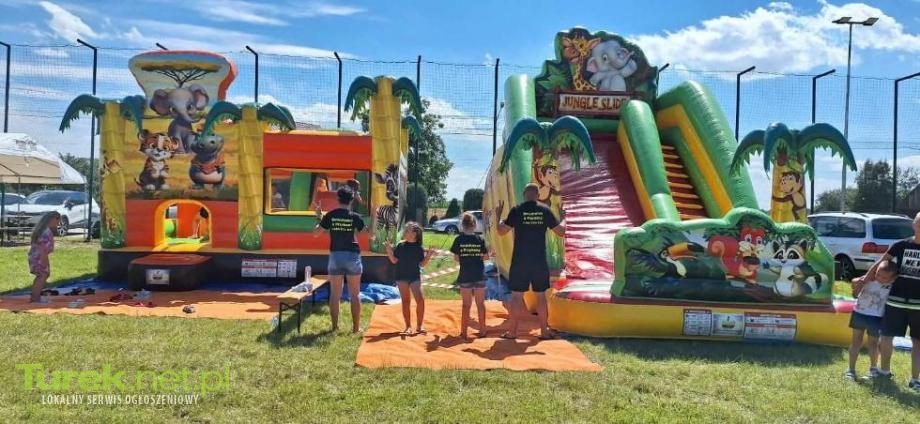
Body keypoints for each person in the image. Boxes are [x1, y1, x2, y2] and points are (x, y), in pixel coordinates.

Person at [858, 211, 920, 392]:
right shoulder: (900, 245)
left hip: (918, 305)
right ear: (914, 224)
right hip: (895, 301)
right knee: (886, 337)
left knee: (918, 342)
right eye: (919, 223)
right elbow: (881, 262)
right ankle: (884, 371)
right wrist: (864, 279)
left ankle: (915, 380)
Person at [496, 183, 565, 340]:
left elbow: (501, 231)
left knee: (516, 296)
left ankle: (512, 332)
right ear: (538, 195)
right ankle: (544, 331)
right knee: (540, 296)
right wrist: (563, 218)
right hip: (539, 260)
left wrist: (498, 216)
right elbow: (561, 232)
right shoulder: (544, 211)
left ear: (524, 195)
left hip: (520, 260)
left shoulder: (517, 210)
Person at [315, 186, 368, 333]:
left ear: (338, 199)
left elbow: (316, 233)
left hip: (336, 256)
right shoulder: (355, 216)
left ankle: (334, 327)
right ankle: (356, 328)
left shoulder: (330, 215)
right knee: (355, 294)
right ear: (351, 200)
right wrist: (375, 218)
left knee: (335, 295)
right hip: (352, 256)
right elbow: (369, 235)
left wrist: (319, 216)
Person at [846, 260, 896, 380]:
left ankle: (873, 369)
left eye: (884, 277)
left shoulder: (892, 284)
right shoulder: (869, 278)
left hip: (876, 318)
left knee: (873, 344)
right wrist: (860, 281)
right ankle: (851, 370)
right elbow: (853, 282)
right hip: (859, 313)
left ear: (891, 278)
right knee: (856, 342)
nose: (880, 278)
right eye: (878, 274)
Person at [385, 222, 435, 335]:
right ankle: (408, 326)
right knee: (406, 301)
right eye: (405, 230)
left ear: (414, 234)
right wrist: (388, 250)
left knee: (420, 300)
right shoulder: (400, 246)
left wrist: (428, 256)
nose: (404, 232)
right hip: (401, 277)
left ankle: (419, 326)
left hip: (414, 277)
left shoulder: (419, 248)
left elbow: (422, 264)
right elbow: (394, 260)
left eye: (407, 230)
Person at [450, 212, 490, 340]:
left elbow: (456, 258)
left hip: (465, 275)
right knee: (480, 304)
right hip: (479, 275)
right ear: (474, 225)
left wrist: (466, 257)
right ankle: (483, 330)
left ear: (462, 225)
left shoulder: (458, 240)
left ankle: (464, 333)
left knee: (466, 305)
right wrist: (479, 256)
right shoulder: (480, 239)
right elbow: (485, 257)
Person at [29, 212, 60, 303]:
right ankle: (35, 299)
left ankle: (35, 297)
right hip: (39, 257)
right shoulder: (46, 232)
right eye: (58, 219)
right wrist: (44, 261)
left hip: (36, 256)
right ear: (52, 219)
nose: (59, 223)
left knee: (42, 275)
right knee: (42, 276)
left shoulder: (43, 230)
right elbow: (42, 248)